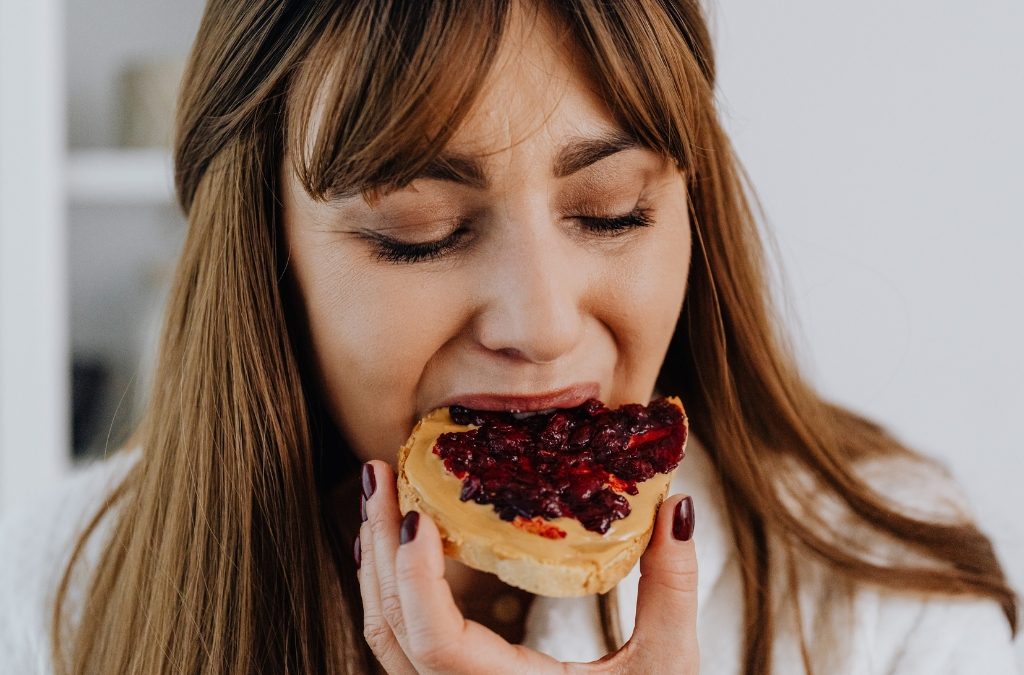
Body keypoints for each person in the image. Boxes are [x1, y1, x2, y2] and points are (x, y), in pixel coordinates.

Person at [0, 0, 1018, 673]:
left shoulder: (886, 598)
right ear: (264, 260)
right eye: (421, 232)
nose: (539, 324)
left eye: (614, 211)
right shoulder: (51, 598)